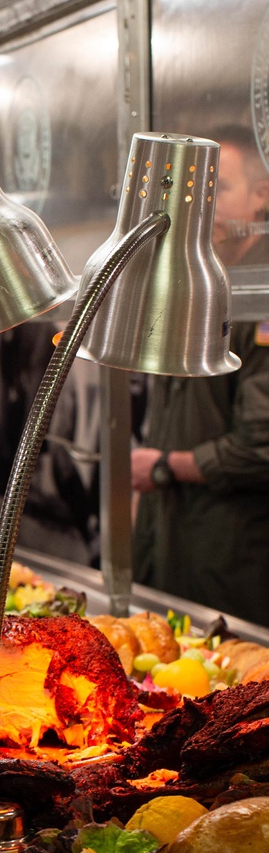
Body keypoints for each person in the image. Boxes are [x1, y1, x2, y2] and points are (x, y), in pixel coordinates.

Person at [132, 125, 269, 625]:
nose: (203, 208)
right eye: (195, 193)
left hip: (231, 561)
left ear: (260, 198)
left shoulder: (261, 293)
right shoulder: (200, 280)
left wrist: (165, 465)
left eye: (219, 190)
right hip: (173, 546)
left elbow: (261, 447)